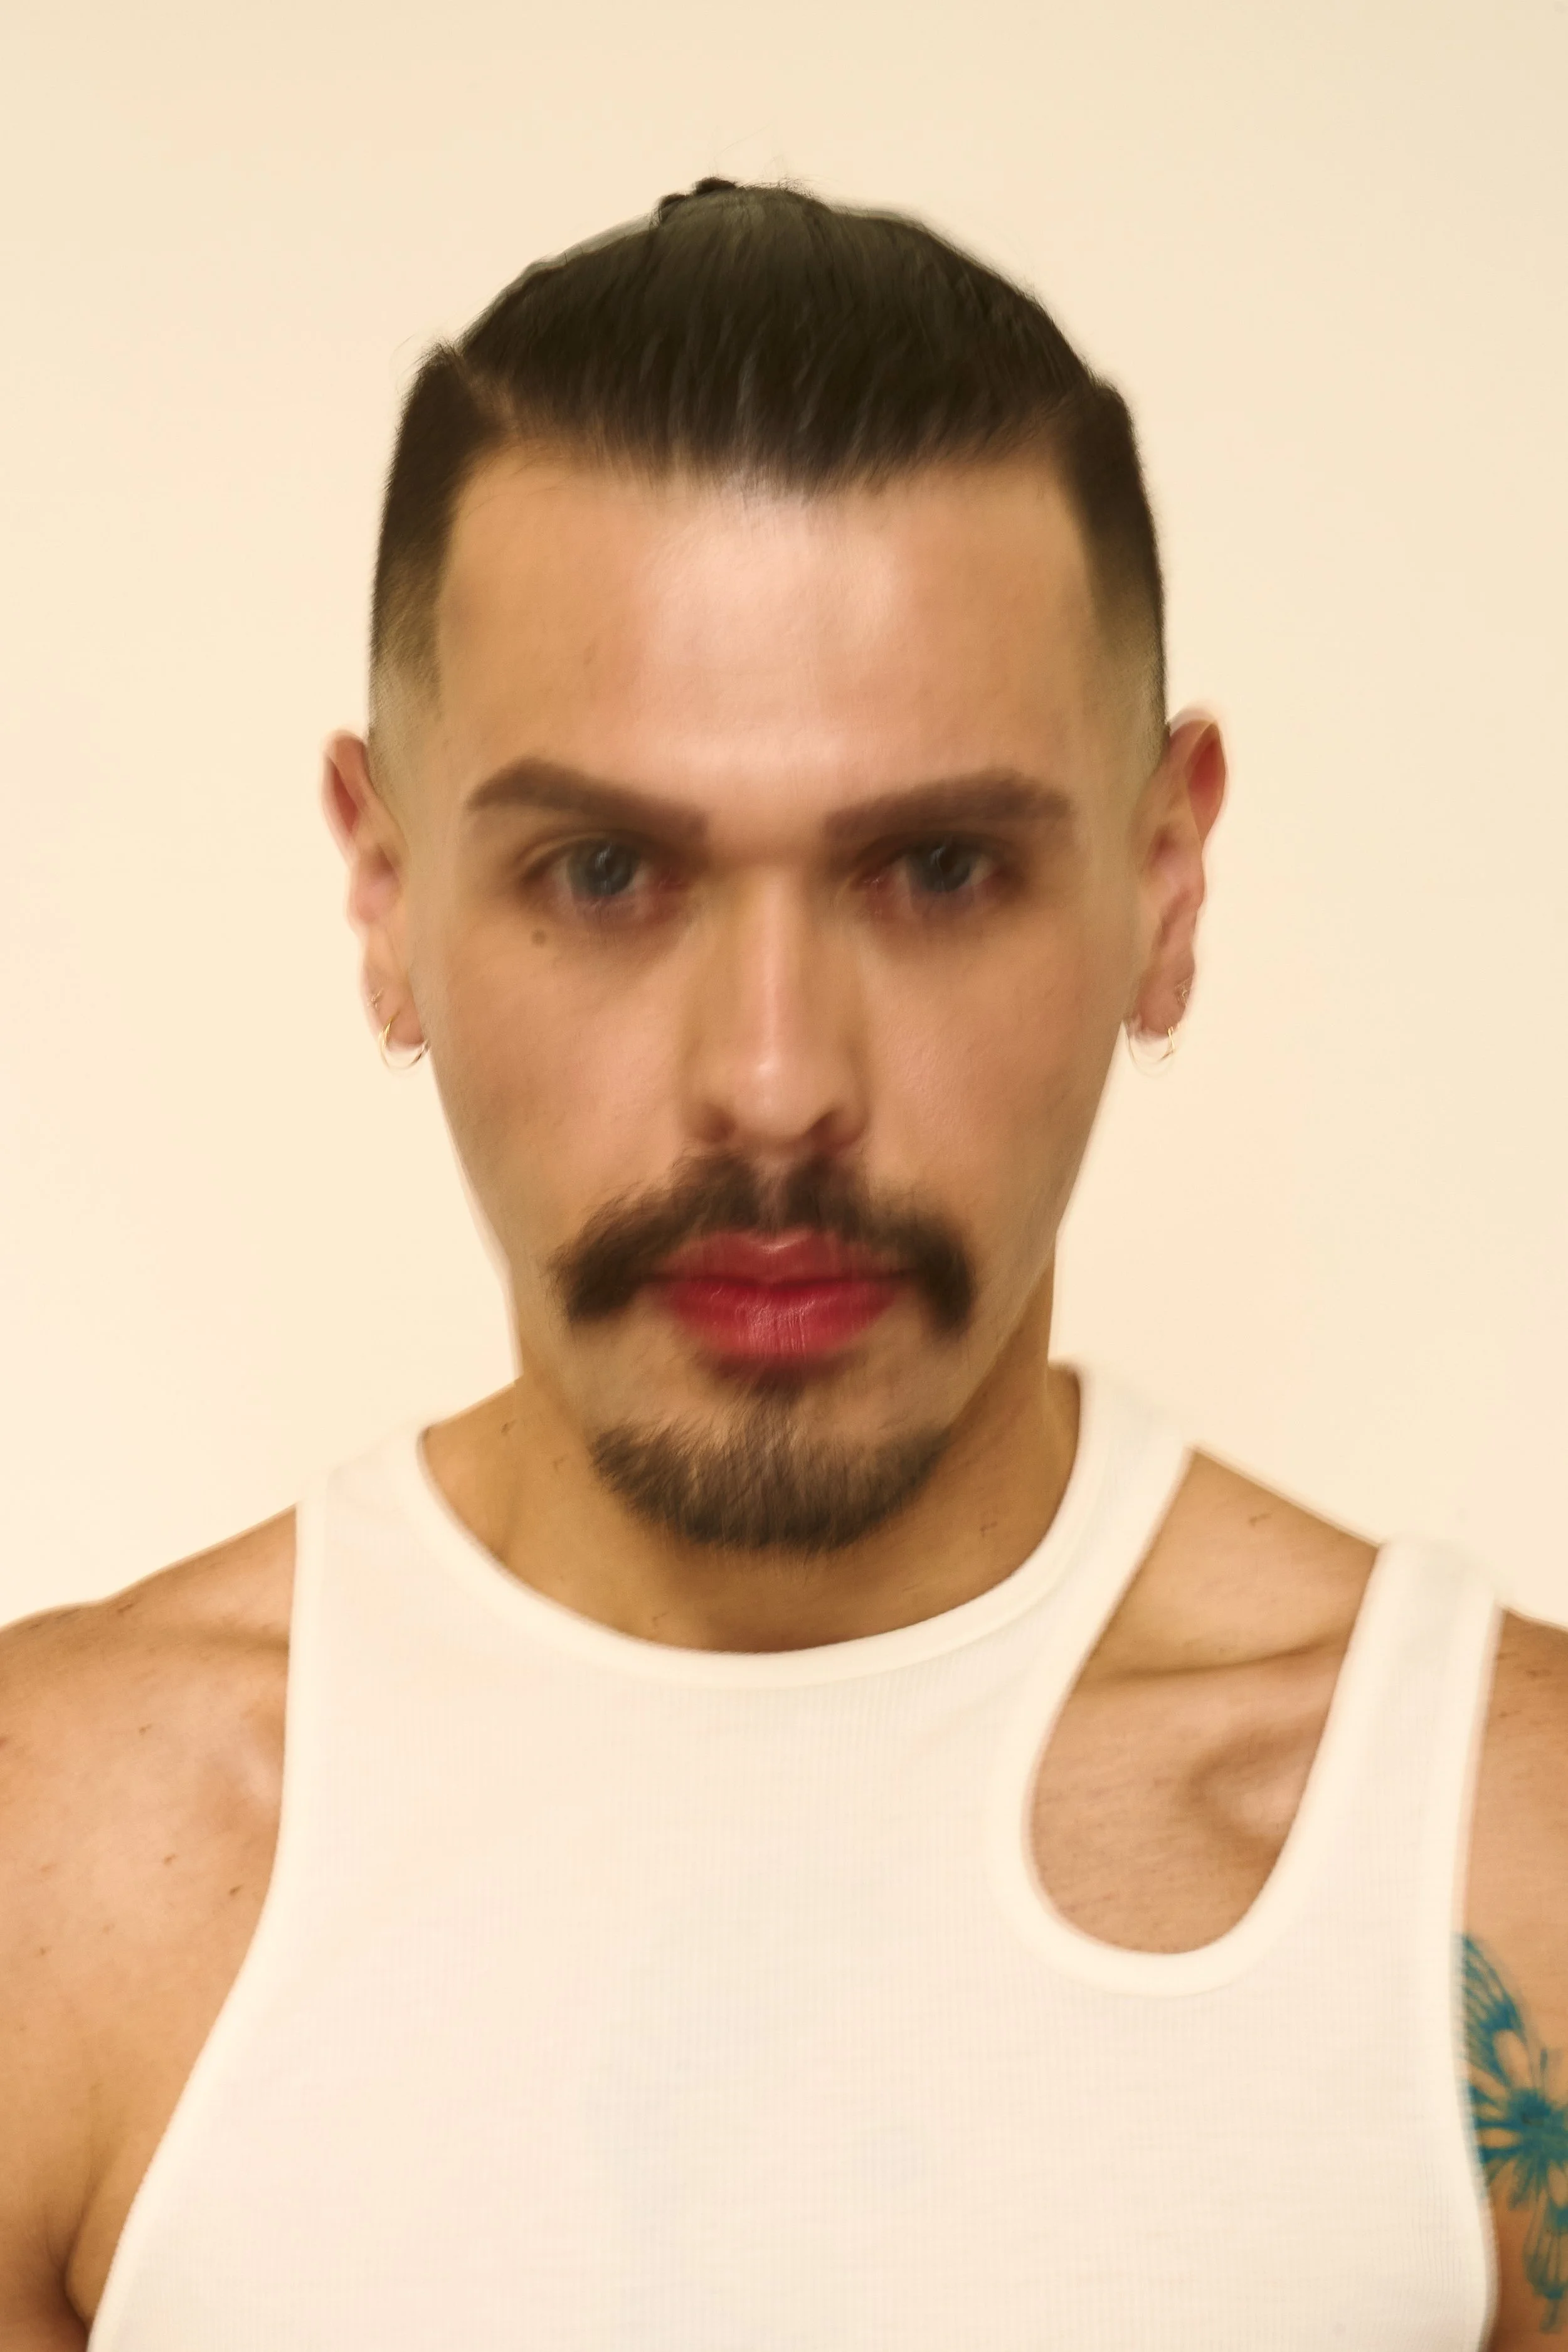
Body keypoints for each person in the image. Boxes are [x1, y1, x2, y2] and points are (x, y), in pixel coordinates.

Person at [1, 178, 1564, 2352]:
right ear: (386, 896)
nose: (768, 1083)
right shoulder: (57, 1878)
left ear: (1162, 879)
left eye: (937, 867)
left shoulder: (1503, 1875)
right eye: (607, 868)